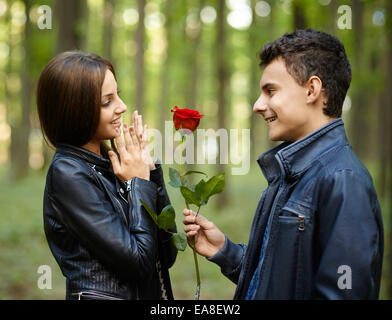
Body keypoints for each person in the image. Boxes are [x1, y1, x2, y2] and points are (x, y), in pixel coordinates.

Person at [183, 29, 384, 299]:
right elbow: (281, 282)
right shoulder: (292, 174)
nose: (257, 105)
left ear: (312, 90)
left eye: (270, 91)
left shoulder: (343, 181)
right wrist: (225, 252)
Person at [37, 51, 177, 300]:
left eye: (118, 95)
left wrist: (150, 173)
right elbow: (138, 263)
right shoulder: (68, 174)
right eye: (107, 101)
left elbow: (166, 256)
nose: (122, 107)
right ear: (75, 109)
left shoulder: (113, 163)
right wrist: (139, 183)